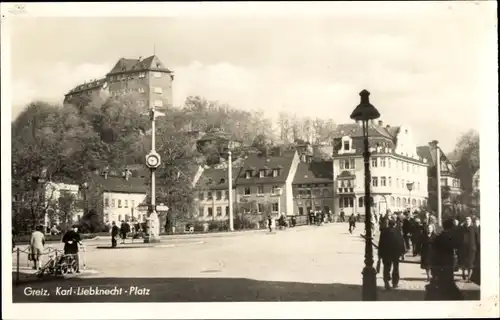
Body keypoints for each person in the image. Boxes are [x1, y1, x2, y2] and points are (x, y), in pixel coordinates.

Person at [428, 218, 464, 300]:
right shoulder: (449, 237)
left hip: (439, 263)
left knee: (443, 281)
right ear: (451, 227)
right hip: (446, 263)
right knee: (447, 281)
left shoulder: (440, 236)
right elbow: (458, 244)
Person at [378, 220, 405, 290]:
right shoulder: (397, 232)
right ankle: (395, 283)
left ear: (388, 224)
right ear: (395, 224)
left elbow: (381, 243)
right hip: (396, 253)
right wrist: (402, 253)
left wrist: (380, 254)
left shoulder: (384, 231)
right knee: (395, 268)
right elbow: (401, 242)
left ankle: (386, 282)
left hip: (386, 253)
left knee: (386, 268)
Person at [457, 216, 477, 282]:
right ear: (464, 221)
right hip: (463, 248)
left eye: (468, 219)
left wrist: (475, 247)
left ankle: (469, 278)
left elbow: (477, 237)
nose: (467, 220)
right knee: (463, 263)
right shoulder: (462, 228)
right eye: (466, 219)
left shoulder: (474, 228)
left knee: (470, 263)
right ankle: (463, 274)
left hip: (471, 248)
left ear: (471, 221)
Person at [470, 218, 481, 285]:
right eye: (475, 222)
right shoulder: (473, 229)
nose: (476, 223)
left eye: (477, 222)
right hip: (476, 248)